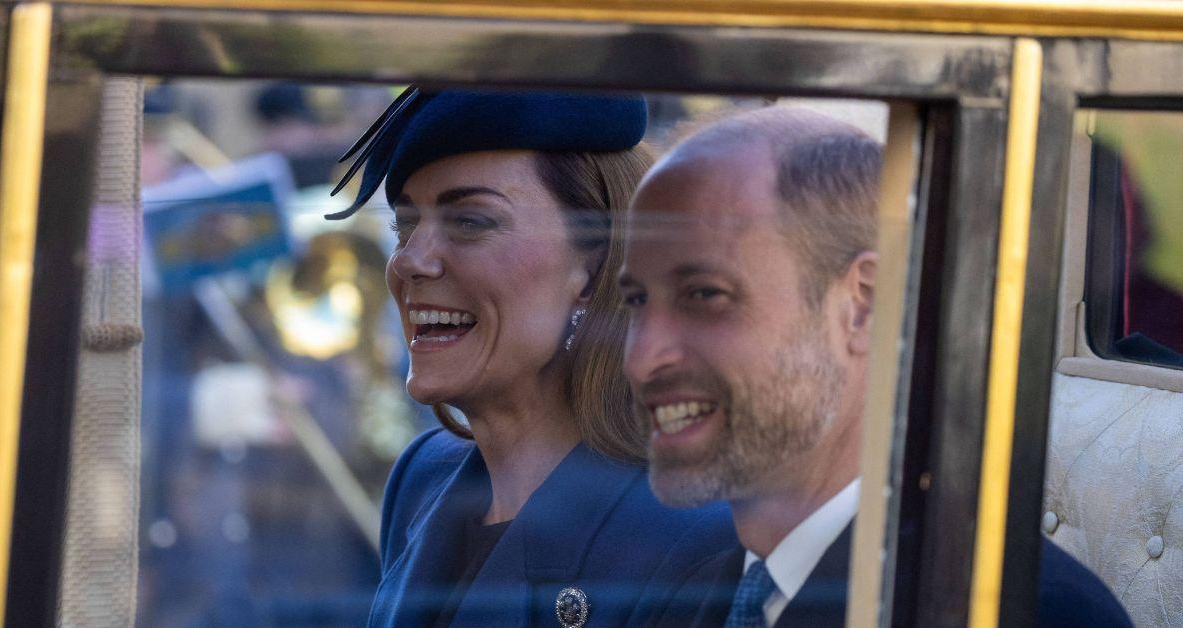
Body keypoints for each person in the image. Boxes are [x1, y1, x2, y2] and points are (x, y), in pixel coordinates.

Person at [617, 106, 1133, 627]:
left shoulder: (1025, 612)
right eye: (636, 301)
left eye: (705, 295)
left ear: (863, 302)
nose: (640, 360)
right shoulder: (682, 592)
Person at [327, 88, 738, 627]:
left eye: (470, 222)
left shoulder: (693, 534)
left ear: (597, 269)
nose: (410, 262)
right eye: (405, 225)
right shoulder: (423, 477)